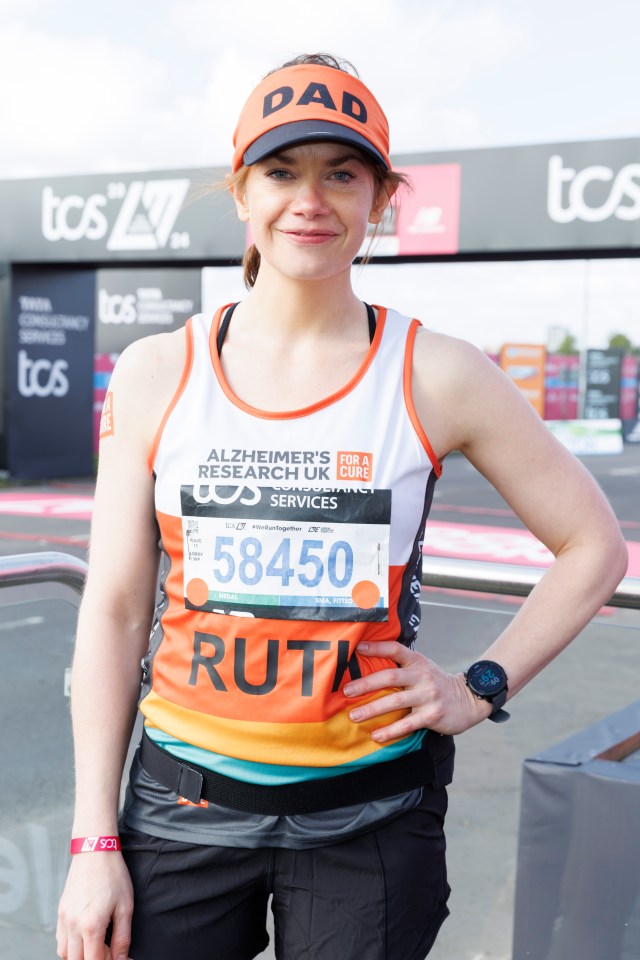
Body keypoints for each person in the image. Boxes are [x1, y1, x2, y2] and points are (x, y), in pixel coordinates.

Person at [56, 53, 628, 960]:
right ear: (243, 191)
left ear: (381, 198)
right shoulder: (157, 370)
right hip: (179, 815)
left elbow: (594, 545)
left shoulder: (440, 372)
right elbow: (118, 610)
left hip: (370, 822)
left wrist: (477, 688)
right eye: (282, 171)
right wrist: (93, 841)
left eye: (342, 173)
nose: (310, 200)